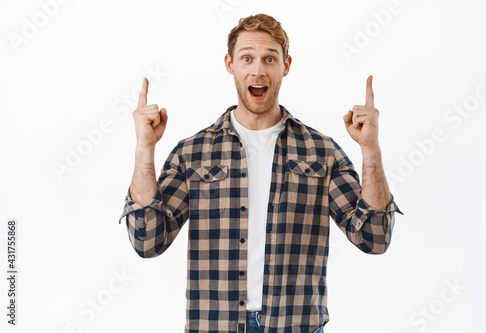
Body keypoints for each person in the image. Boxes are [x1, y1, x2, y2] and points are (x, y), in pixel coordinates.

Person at [118, 13, 403, 333]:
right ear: (230, 64)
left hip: (295, 326)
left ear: (286, 66)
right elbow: (148, 241)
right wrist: (145, 149)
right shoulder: (192, 154)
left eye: (270, 58)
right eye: (247, 58)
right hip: (215, 325)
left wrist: (370, 149)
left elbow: (374, 238)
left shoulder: (321, 152)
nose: (258, 69)